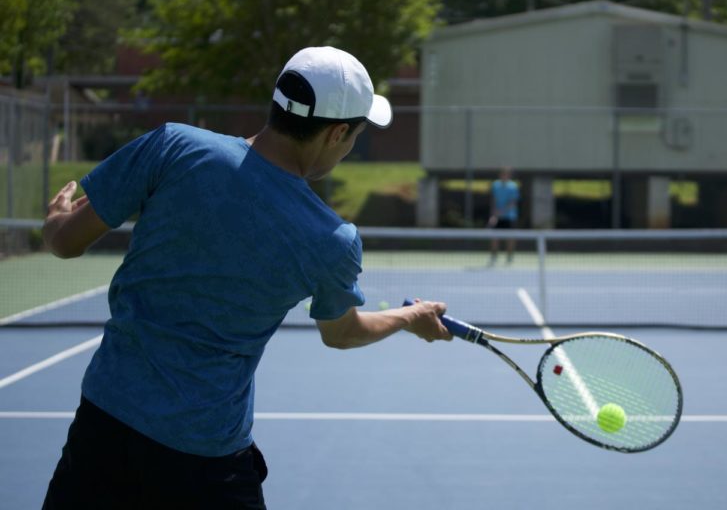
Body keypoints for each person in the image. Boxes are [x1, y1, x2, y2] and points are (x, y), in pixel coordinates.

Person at [40, 46, 452, 510]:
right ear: (338, 133)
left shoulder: (172, 145)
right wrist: (410, 316)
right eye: (355, 134)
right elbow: (342, 334)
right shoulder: (332, 239)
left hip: (102, 430)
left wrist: (56, 218)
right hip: (206, 465)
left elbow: (64, 242)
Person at [488, 167, 520, 265]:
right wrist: (493, 214)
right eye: (502, 174)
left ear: (509, 176)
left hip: (510, 217)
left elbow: (513, 202)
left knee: (510, 239)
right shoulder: (495, 185)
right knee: (494, 238)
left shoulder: (513, 186)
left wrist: (501, 211)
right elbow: (493, 200)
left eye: (506, 174)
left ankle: (509, 258)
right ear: (500, 175)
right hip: (497, 217)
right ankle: (494, 257)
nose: (504, 176)